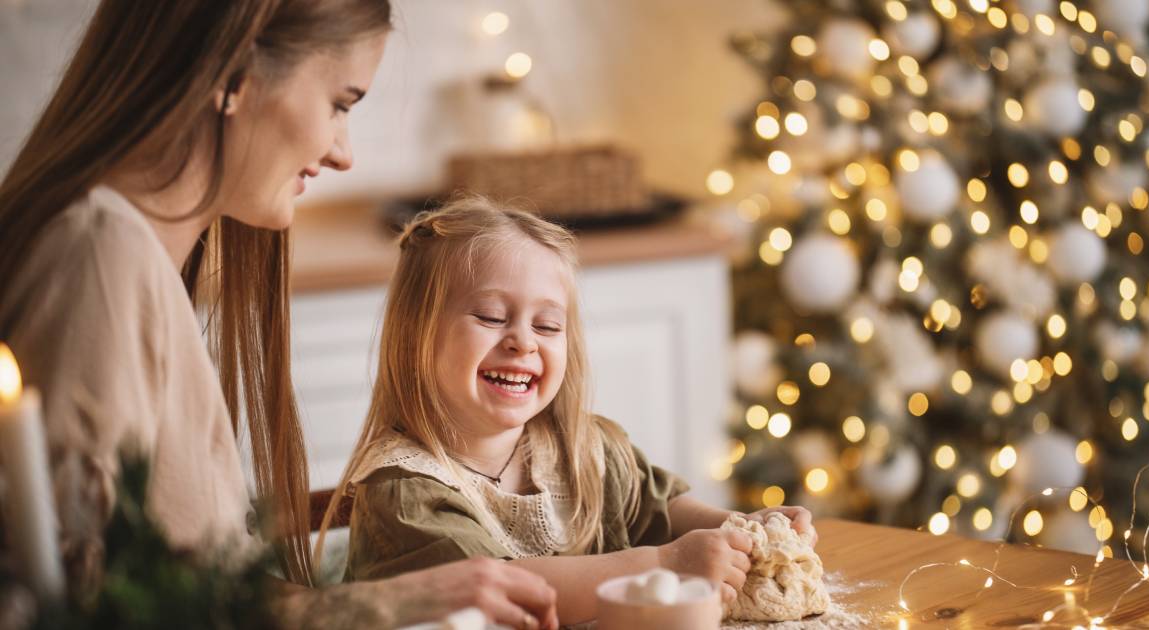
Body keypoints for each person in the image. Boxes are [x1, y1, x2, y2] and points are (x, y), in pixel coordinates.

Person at [0, 2, 556, 628]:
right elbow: (98, 603)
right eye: (340, 104)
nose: (343, 152)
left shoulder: (136, 259)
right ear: (235, 77)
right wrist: (390, 601)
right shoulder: (101, 254)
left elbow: (192, 585)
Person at [327, 197, 817, 625]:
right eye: (492, 317)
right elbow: (502, 591)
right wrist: (665, 566)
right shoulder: (404, 492)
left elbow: (660, 509)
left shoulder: (581, 447)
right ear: (418, 335)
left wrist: (743, 529)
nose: (522, 341)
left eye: (547, 325)